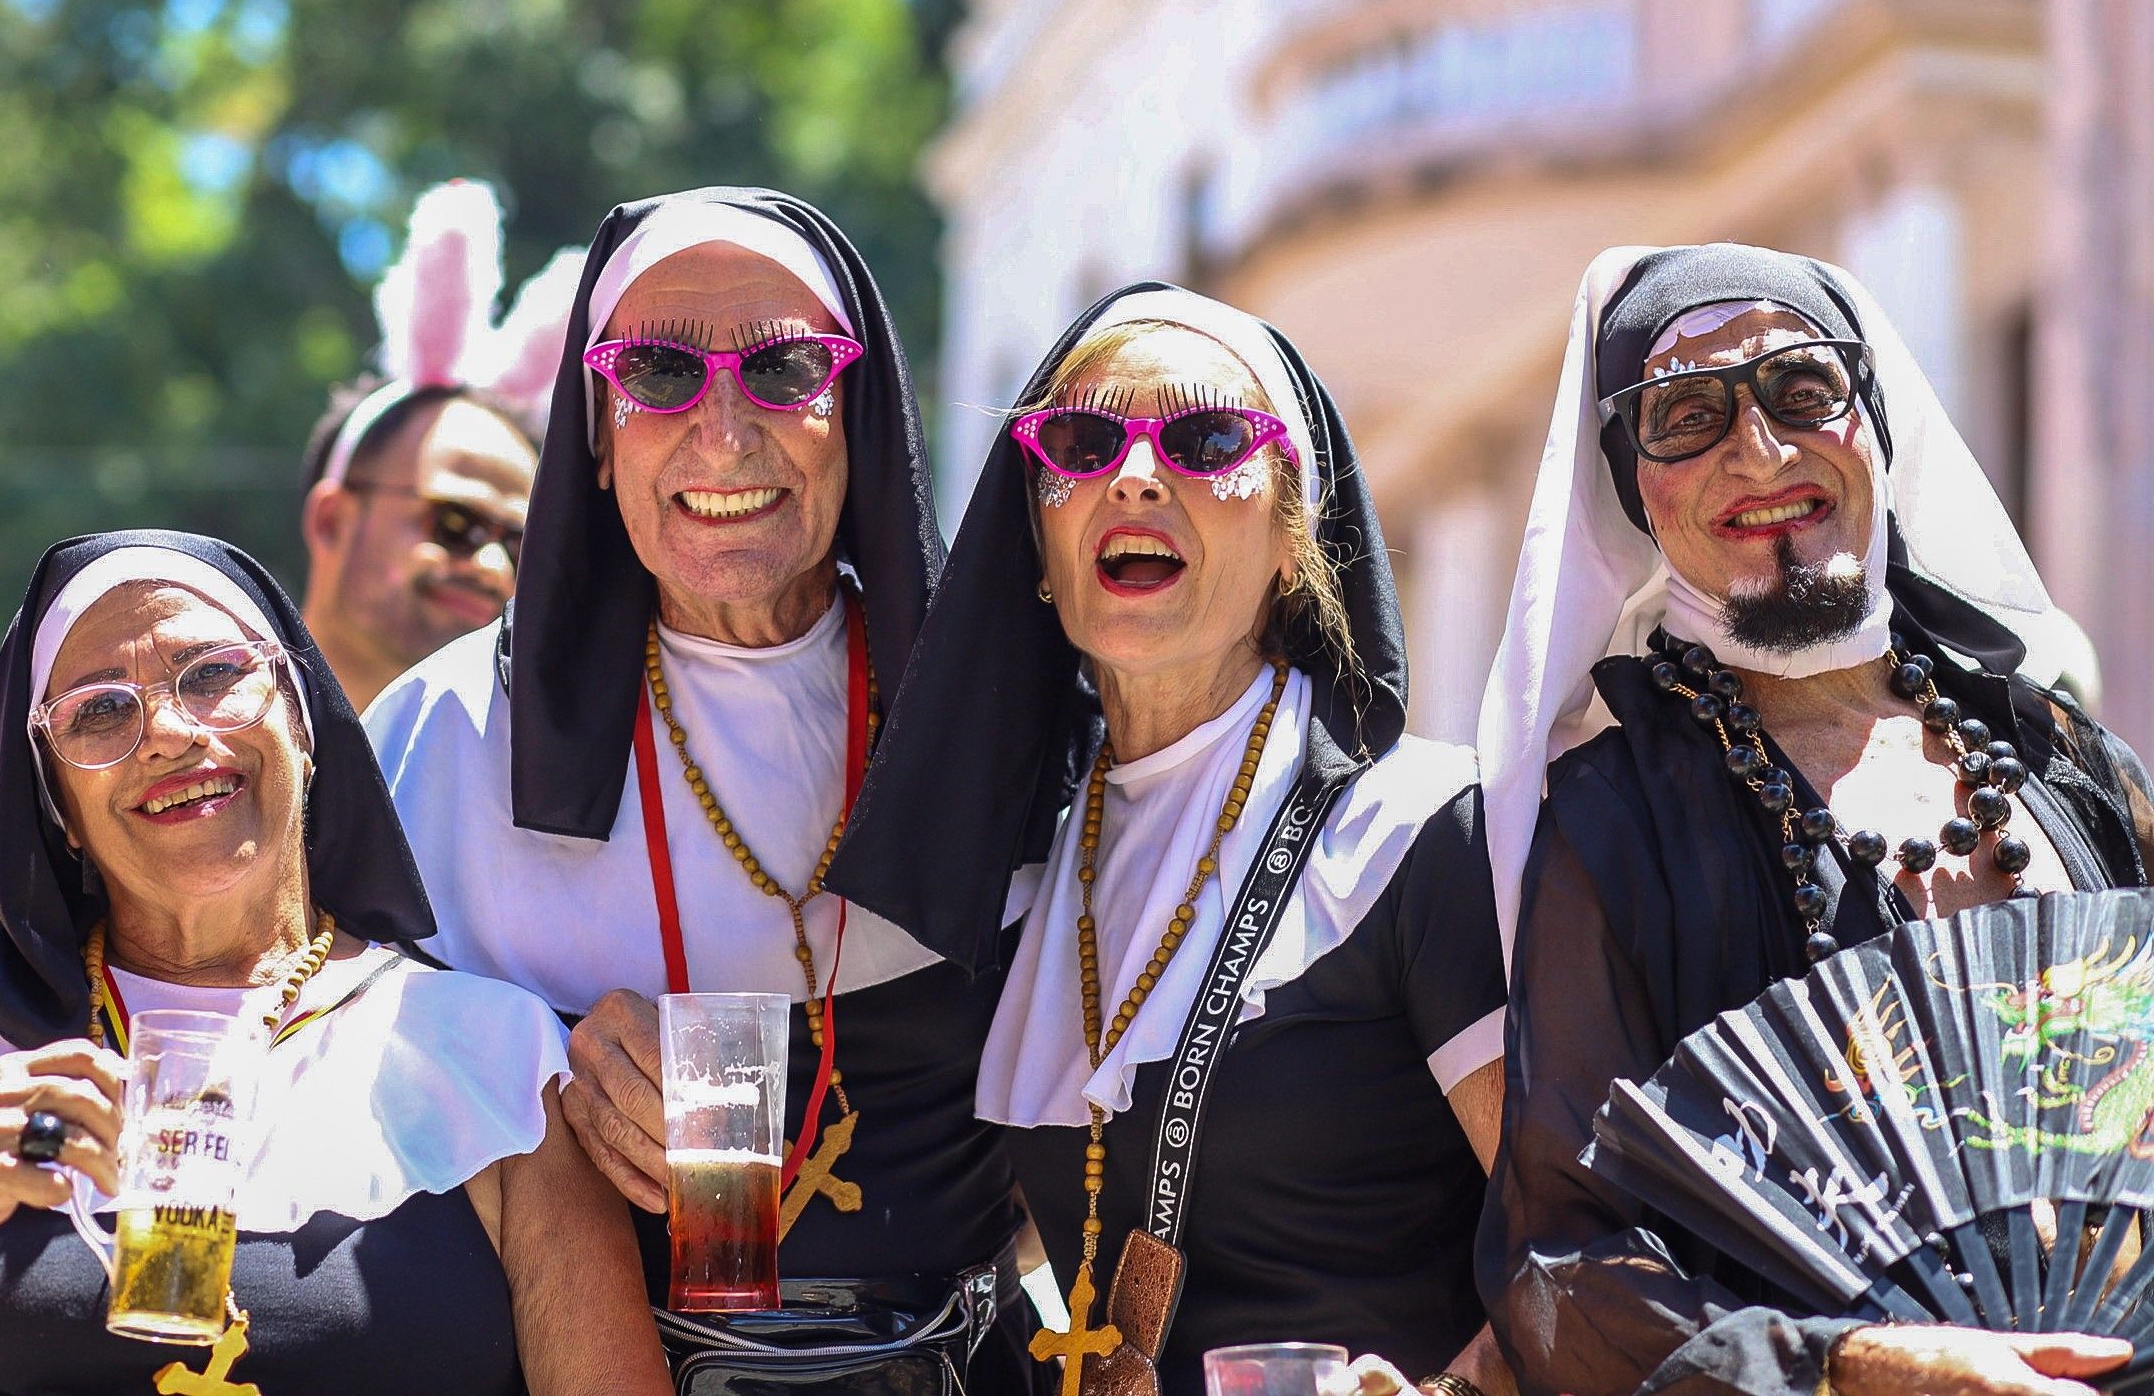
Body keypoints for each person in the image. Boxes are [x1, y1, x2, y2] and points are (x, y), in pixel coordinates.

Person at [365, 187, 1042, 1391]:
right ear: (594, 429)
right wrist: (530, 1062)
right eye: (659, 372)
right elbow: (328, 1100)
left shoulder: (1004, 718)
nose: (723, 433)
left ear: (861, 410)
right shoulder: (445, 732)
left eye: (785, 368)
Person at [0, 529, 669, 1395]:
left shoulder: (493, 1056)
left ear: (306, 728)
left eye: (215, 674)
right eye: (99, 710)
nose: (166, 732)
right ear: (57, 806)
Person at [1477, 244, 2154, 1396]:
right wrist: (1858, 1365)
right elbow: (1563, 1266)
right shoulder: (1613, 826)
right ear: (1635, 485)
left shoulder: (2066, 758)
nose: (1761, 449)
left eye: (1803, 392)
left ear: (1873, 423)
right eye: (1686, 415)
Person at [831, 284, 1511, 1395]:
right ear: (1040, 553)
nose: (1136, 476)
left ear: (1297, 540)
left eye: (1206, 441)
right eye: (1084, 443)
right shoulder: (1026, 885)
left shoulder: (1419, 834)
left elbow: (1576, 1241)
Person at [0, 180, 566, 829]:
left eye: (519, 545)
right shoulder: (157, 698)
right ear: (332, 519)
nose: (490, 566)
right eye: (454, 524)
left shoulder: (551, 774)